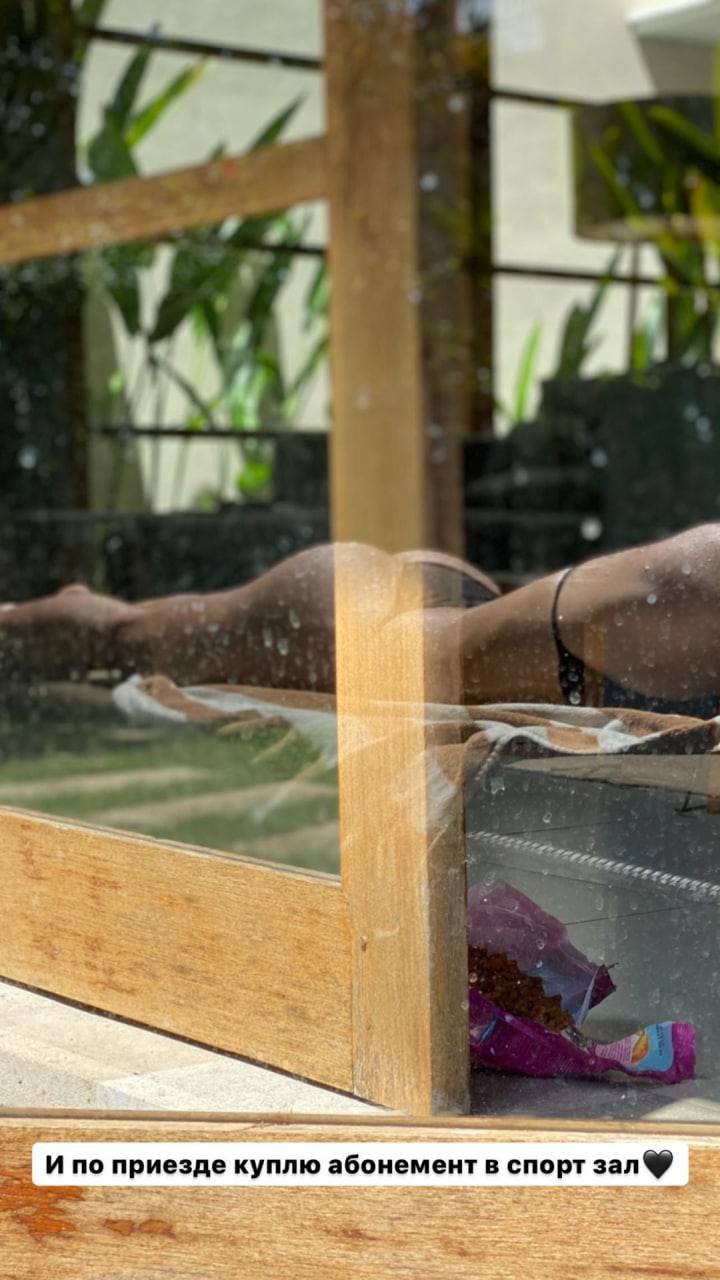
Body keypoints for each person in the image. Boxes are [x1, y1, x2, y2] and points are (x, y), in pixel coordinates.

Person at [1, 523, 720, 716]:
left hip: (447, 616)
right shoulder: (703, 582)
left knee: (136, 632)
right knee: (127, 636)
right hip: (359, 628)